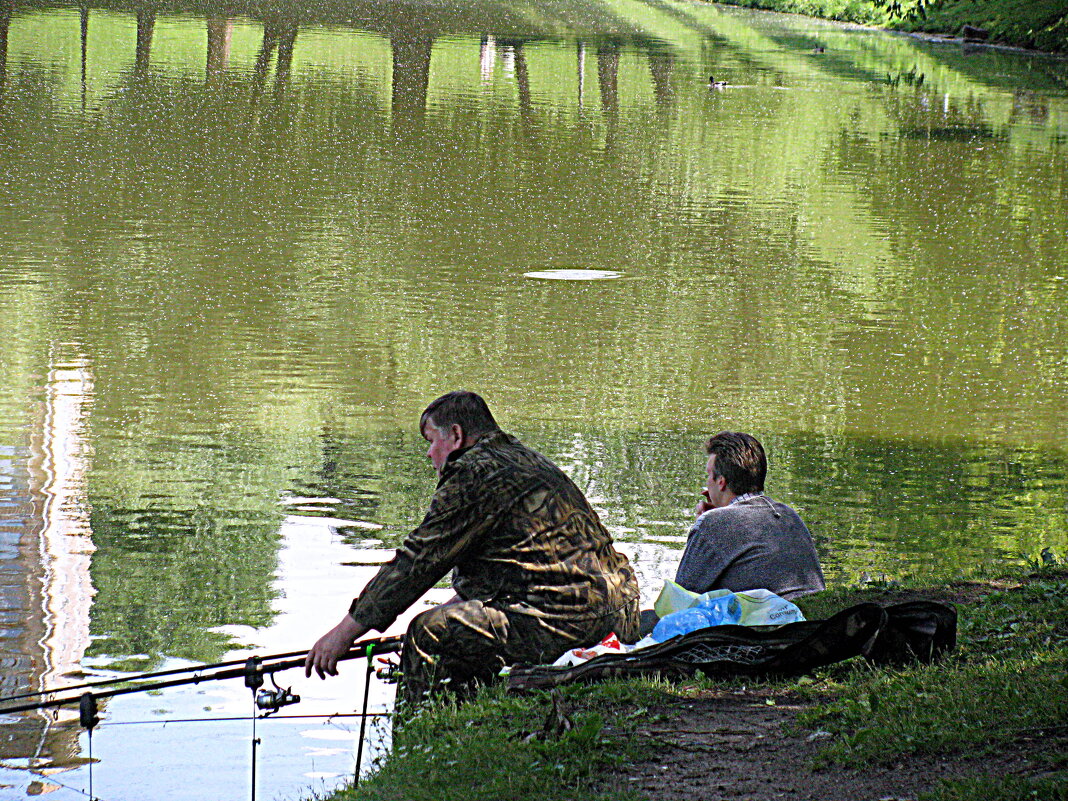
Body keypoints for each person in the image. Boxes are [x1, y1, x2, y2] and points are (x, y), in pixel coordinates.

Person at [304, 391, 640, 705]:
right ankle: (468, 710)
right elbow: (514, 562)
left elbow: (417, 562)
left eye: (432, 441)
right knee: (454, 618)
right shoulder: (524, 459)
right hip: (622, 608)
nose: (429, 453)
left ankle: (418, 742)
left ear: (456, 435)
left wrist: (344, 632)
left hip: (574, 620)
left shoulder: (473, 473)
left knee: (428, 633)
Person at [674, 431, 824, 601]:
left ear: (721, 481)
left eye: (708, 475)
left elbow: (681, 596)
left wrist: (702, 526)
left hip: (762, 625)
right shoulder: (788, 514)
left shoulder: (713, 523)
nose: (707, 482)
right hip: (812, 620)